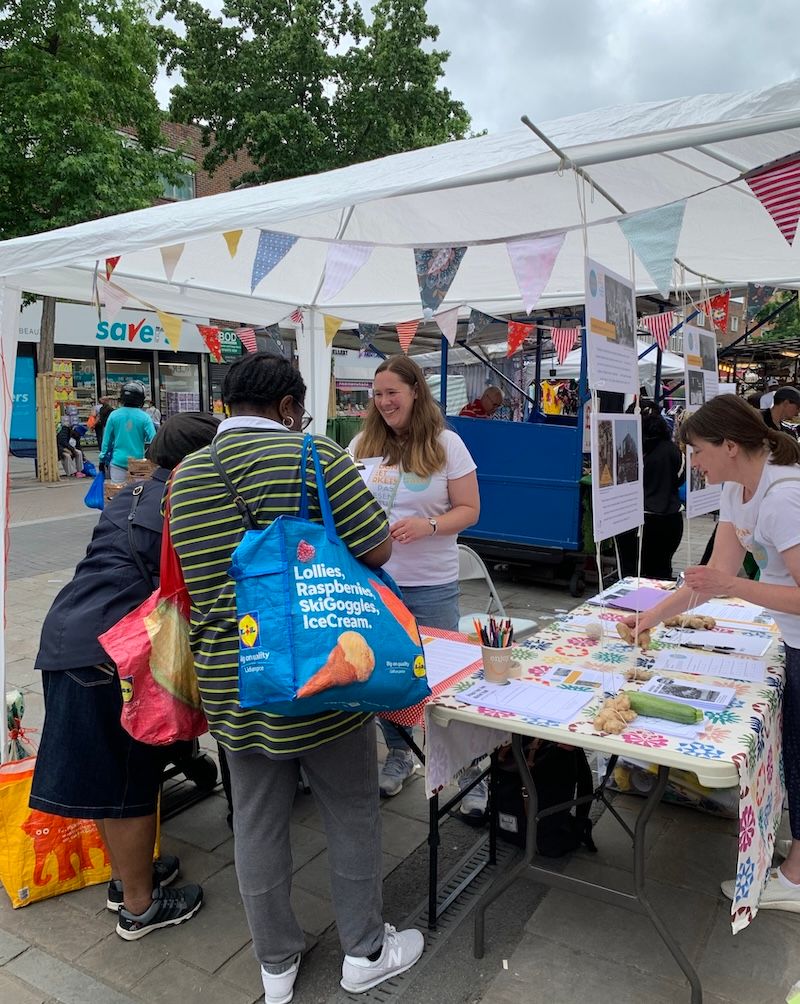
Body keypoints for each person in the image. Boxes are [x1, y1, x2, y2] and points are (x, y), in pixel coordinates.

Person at [168, 353, 424, 1003]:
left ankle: (275, 966)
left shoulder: (186, 476)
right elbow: (378, 548)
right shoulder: (314, 456)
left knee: (254, 821)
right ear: (286, 408)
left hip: (233, 680)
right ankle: (365, 951)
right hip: (322, 677)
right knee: (351, 811)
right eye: (300, 410)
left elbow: (191, 578)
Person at [30, 412, 220, 940]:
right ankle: (141, 906)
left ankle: (125, 879)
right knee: (131, 783)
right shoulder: (187, 503)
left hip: (66, 636)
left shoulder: (128, 497)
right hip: (116, 653)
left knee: (106, 778)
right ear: (200, 462)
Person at [621, 394, 800, 913]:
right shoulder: (739, 490)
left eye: (697, 451)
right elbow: (710, 579)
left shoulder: (783, 496)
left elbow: (731, 583)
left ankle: (793, 879)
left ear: (730, 445)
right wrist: (650, 616)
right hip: (790, 636)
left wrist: (735, 587)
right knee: (792, 750)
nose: (693, 463)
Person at [351, 356, 481, 811]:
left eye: (393, 393)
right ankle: (401, 755)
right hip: (378, 583)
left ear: (415, 393)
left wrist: (430, 526)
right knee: (385, 675)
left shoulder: (447, 444)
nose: (385, 402)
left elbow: (470, 509)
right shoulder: (363, 445)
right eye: (378, 393)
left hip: (432, 583)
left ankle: (465, 768)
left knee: (443, 678)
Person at [615, 410, 685, 579]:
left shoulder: (634, 451)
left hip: (639, 519)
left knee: (632, 574)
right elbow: (680, 479)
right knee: (662, 571)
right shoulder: (675, 451)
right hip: (672, 519)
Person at [99, 382, 156, 483]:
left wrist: (102, 459)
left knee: (117, 494)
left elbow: (106, 441)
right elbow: (154, 439)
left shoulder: (114, 415)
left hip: (118, 461)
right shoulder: (145, 417)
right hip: (137, 462)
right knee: (138, 494)